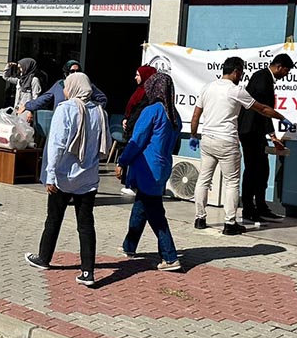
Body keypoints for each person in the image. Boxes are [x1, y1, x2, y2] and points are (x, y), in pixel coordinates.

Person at [24, 73, 107, 287]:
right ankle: (88, 272)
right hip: (88, 178)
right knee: (86, 225)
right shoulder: (99, 111)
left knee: (53, 218)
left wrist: (50, 175)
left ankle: (44, 258)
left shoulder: (66, 109)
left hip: (64, 175)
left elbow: (57, 145)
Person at [190, 57, 290, 235]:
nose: (242, 76)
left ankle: (200, 218)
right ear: (236, 71)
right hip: (226, 141)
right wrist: (281, 117)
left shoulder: (207, 87)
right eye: (241, 72)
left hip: (207, 139)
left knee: (203, 179)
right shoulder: (236, 90)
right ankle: (230, 224)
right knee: (231, 183)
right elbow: (262, 109)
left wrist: (193, 135)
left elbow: (196, 114)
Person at [117, 72, 183, 271]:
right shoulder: (174, 114)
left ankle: (170, 256)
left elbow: (137, 140)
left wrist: (122, 160)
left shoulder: (152, 110)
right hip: (162, 167)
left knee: (155, 212)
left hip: (147, 167)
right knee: (142, 205)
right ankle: (130, 246)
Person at [238, 53, 293, 224]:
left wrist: (271, 135)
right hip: (249, 130)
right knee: (253, 170)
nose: (286, 75)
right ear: (279, 66)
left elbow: (264, 112)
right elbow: (263, 110)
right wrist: (273, 132)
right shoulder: (262, 78)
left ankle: (260, 206)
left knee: (262, 170)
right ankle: (248, 208)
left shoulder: (264, 78)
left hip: (256, 131)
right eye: (286, 71)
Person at [118, 65, 157, 196]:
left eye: (138, 75)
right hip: (131, 126)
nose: (135, 78)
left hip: (137, 129)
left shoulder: (147, 94)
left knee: (134, 153)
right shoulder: (139, 91)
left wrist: (130, 123)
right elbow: (131, 109)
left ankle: (132, 183)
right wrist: (125, 119)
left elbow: (139, 112)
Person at [24, 60, 109, 113]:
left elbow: (102, 99)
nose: (75, 74)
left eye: (78, 71)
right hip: (62, 119)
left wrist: (89, 109)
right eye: (72, 71)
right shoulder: (60, 85)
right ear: (66, 73)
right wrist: (27, 106)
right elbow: (44, 99)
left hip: (80, 120)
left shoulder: (86, 85)